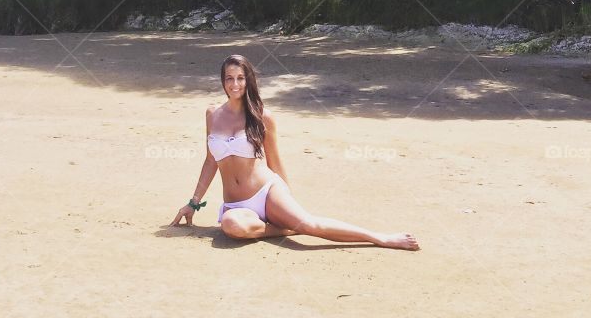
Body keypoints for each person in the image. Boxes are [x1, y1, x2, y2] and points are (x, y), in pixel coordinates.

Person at [170, 54, 419, 250]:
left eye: (240, 78)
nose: (234, 84)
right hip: (237, 205)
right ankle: (286, 229)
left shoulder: (262, 117)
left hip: (266, 191)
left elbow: (275, 162)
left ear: (248, 81)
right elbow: (211, 160)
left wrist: (288, 201)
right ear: (222, 81)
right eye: (229, 78)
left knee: (310, 224)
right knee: (231, 226)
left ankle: (381, 238)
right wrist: (193, 203)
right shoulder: (212, 114)